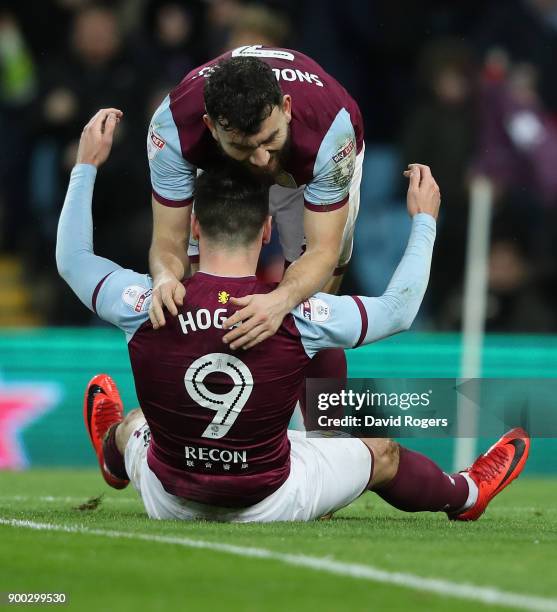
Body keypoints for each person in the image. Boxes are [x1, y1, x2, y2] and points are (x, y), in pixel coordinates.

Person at [57, 109, 530, 522]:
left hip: (169, 494)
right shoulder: (296, 313)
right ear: (267, 231)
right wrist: (425, 219)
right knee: (382, 454)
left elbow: (73, 260)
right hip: (268, 499)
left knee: (136, 422)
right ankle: (467, 493)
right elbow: (399, 310)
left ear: (195, 226)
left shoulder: (145, 300)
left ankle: (113, 458)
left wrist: (85, 166)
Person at [147, 47, 364, 359]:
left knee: (313, 306)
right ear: (210, 126)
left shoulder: (332, 132)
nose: (262, 160)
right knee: (199, 288)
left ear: (286, 108)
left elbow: (323, 250)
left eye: (268, 139)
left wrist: (282, 300)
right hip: (218, 165)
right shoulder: (173, 129)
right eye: (243, 145)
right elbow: (168, 241)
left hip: (307, 164)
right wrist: (165, 276)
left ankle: (306, 388)